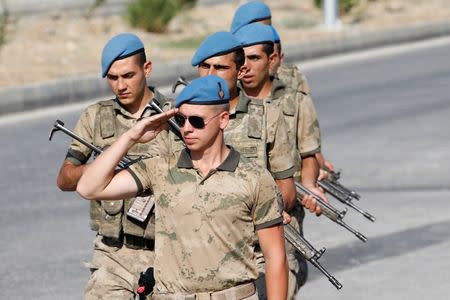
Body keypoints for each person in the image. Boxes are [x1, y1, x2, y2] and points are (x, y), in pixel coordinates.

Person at [76, 75, 289, 300]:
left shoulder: (254, 177)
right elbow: (89, 188)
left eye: (197, 121)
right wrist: (132, 136)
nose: (187, 129)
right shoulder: (161, 168)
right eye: (181, 120)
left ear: (224, 119)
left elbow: (275, 257)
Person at [56, 33, 168, 299]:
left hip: (165, 252)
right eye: (113, 78)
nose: (120, 85)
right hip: (113, 253)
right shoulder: (96, 116)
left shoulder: (173, 117)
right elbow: (65, 179)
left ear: (147, 69)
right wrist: (105, 167)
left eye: (128, 75)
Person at [233, 22, 328, 298]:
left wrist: (308, 188)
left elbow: (310, 154)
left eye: (254, 58)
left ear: (271, 59)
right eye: (242, 59)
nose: (246, 67)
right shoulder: (224, 106)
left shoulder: (295, 100)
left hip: (282, 213)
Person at [230, 0, 336, 177]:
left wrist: (317, 166)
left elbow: (306, 137)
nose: (264, 33)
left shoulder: (291, 80)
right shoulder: (230, 87)